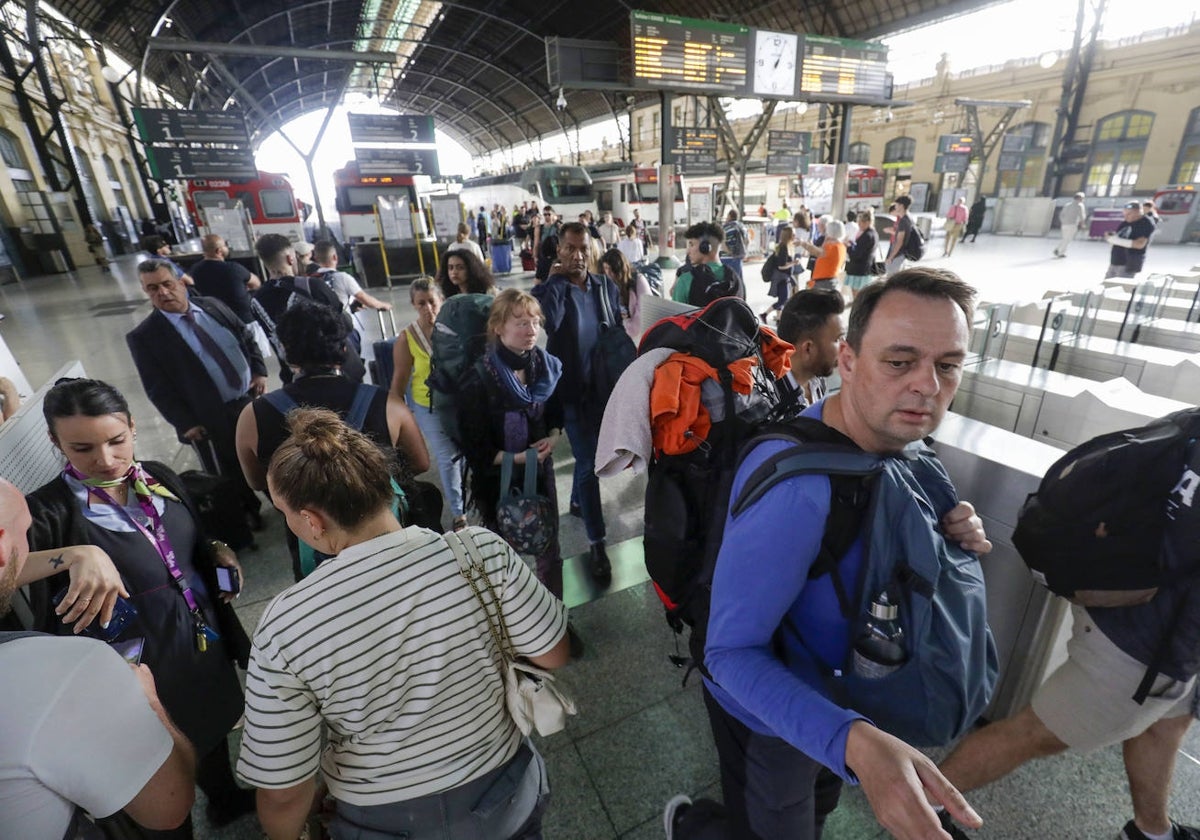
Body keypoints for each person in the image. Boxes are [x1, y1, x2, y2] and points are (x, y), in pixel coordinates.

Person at [666, 269, 993, 840]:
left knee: (815, 810)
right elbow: (729, 654)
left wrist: (948, 526)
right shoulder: (798, 491)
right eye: (899, 361)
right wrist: (853, 742)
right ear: (847, 361)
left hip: (842, 700)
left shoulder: (897, 439)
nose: (927, 386)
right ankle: (693, 826)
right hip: (771, 716)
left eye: (948, 365)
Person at [236, 408, 569, 838]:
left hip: (382, 821)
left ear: (312, 521)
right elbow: (554, 653)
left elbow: (284, 789)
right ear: (384, 486)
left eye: (285, 512)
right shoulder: (479, 553)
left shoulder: (285, 626)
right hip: (504, 796)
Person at [936, 433, 1199, 840]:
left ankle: (1152, 831)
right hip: (1141, 645)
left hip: (1138, 605)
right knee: (1036, 734)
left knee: (1166, 723)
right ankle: (923, 807)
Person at [25, 378, 255, 833]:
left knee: (209, 726)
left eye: (116, 441)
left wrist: (215, 549)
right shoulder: (49, 513)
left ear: (132, 425)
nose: (106, 460)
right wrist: (75, 554)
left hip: (193, 639)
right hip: (133, 666)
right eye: (82, 448)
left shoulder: (156, 478)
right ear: (55, 443)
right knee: (156, 765)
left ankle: (225, 800)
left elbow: (182, 540)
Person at [0, 479, 198, 837]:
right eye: (24, 533)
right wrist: (150, 702)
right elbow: (169, 807)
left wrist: (80, 553)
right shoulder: (66, 670)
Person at [236, 301, 430, 575]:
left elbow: (257, 481)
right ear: (343, 349)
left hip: (311, 543)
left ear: (288, 356)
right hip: (386, 535)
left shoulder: (253, 416)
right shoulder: (386, 403)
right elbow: (420, 463)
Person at [456, 289, 575, 620]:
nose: (531, 330)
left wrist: (552, 437)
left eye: (535, 322)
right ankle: (510, 624)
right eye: (521, 322)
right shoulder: (477, 380)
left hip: (539, 471)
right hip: (494, 481)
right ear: (498, 327)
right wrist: (522, 458)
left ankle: (553, 618)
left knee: (548, 545)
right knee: (499, 552)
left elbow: (555, 414)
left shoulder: (545, 368)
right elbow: (476, 450)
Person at [127, 258, 267, 525]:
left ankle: (281, 503)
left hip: (247, 401)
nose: (163, 293)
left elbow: (246, 337)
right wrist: (185, 422)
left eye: (167, 284)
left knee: (264, 454)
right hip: (208, 416)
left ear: (182, 282)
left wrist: (259, 371)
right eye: (153, 288)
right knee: (226, 469)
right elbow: (157, 387)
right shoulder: (145, 336)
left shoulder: (213, 306)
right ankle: (248, 514)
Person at [531, 221, 620, 584]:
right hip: (572, 394)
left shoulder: (605, 287)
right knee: (587, 465)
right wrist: (553, 282)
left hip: (604, 391)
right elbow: (548, 322)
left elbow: (613, 330)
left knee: (597, 462)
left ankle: (578, 503)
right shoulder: (551, 290)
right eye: (570, 248)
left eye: (584, 248)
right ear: (559, 251)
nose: (578, 255)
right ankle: (597, 543)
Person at [391, 278, 467, 530]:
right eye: (421, 303)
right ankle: (459, 513)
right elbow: (399, 382)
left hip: (459, 402)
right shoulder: (407, 339)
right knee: (448, 457)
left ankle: (465, 494)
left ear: (441, 300)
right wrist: (396, 420)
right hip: (429, 406)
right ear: (413, 305)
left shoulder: (454, 328)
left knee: (465, 451)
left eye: (432, 302)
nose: (428, 309)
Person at [252, 233, 365, 385]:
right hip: (333, 374)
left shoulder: (256, 300)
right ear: (290, 258)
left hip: (294, 379)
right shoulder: (312, 286)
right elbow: (345, 324)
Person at [775, 289, 846, 411]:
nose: (845, 346)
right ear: (808, 349)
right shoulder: (771, 403)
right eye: (838, 339)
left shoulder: (816, 381)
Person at [191, 234, 262, 324]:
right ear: (219, 251)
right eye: (225, 245)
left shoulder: (195, 270)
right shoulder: (233, 268)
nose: (227, 247)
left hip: (218, 320)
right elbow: (256, 284)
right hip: (244, 319)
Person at [671, 222, 744, 306]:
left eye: (691, 244)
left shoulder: (686, 280)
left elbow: (675, 316)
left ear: (705, 247)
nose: (688, 251)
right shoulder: (736, 280)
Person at [310, 240, 392, 313]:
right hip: (340, 327)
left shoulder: (309, 280)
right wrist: (382, 304)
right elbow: (364, 298)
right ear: (335, 257)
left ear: (315, 259)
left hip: (318, 327)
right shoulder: (343, 277)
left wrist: (350, 308)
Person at [600, 247, 652, 341]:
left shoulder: (638, 281)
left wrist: (624, 324)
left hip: (638, 338)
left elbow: (643, 313)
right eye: (605, 268)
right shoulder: (606, 284)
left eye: (611, 269)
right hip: (618, 337)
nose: (608, 273)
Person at [1105, 201, 1156, 279]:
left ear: (1138, 212)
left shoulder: (1146, 223)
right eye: (1124, 214)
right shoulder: (1126, 222)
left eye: (1129, 214)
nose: (1126, 217)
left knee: (1119, 287)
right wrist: (1111, 237)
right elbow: (1120, 235)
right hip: (1115, 261)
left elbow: (1140, 244)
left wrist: (1115, 240)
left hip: (1128, 263)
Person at [761, 226, 801, 325]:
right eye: (793, 234)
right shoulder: (783, 248)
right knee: (784, 299)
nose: (795, 236)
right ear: (789, 236)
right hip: (781, 277)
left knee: (782, 298)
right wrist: (794, 263)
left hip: (783, 277)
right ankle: (765, 314)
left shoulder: (786, 246)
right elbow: (781, 266)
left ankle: (779, 319)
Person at [798, 218, 848, 292]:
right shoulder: (842, 246)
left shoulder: (832, 246)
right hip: (831, 280)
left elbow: (817, 252)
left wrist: (802, 243)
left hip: (823, 282)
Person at [844, 209, 879, 300]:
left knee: (857, 295)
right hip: (865, 268)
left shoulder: (867, 235)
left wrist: (847, 247)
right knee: (860, 294)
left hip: (859, 269)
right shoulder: (874, 233)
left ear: (867, 222)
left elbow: (856, 254)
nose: (859, 225)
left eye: (860, 223)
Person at [884, 195, 914, 276]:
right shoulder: (909, 217)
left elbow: (899, 242)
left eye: (896, 205)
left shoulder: (903, 221)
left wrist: (891, 257)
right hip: (903, 254)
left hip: (898, 255)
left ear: (901, 206)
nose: (895, 207)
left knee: (891, 277)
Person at [1054, 192, 1088, 258]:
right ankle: (1059, 252)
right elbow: (1082, 216)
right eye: (1082, 198)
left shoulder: (1067, 205)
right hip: (1072, 225)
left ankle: (1058, 250)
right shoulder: (1080, 205)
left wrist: (1063, 222)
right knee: (1068, 239)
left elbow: (1061, 215)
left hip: (1064, 225)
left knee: (1065, 238)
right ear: (1080, 198)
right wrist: (1083, 224)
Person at [722, 209, 749, 280]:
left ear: (729, 216)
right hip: (738, 258)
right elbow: (747, 241)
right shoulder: (742, 227)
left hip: (726, 259)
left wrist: (730, 252)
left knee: (727, 281)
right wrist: (743, 251)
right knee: (738, 281)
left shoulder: (725, 228)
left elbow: (722, 243)